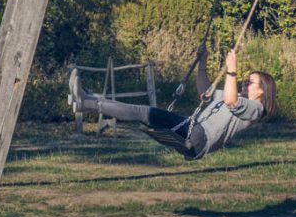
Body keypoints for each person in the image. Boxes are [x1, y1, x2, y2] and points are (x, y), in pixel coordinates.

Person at [71, 46, 275, 159]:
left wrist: (232, 69)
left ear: (262, 90)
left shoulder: (256, 108)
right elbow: (205, 92)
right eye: (246, 80)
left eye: (251, 82)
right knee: (144, 113)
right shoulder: (236, 96)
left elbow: (230, 101)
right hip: (193, 132)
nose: (245, 83)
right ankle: (86, 101)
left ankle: (87, 101)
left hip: (198, 138)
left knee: (144, 112)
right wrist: (203, 62)